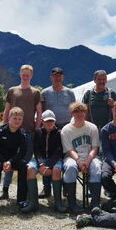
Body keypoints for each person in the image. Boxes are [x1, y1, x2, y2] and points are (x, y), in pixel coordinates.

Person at [0, 65, 41, 201]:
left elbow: (39, 112)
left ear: (31, 76)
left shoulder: (35, 92)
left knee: (24, 162)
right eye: (23, 74)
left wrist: (37, 129)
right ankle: (5, 190)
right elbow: (7, 109)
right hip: (12, 131)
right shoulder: (12, 90)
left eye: (27, 74)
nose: (25, 76)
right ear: (20, 74)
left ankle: (24, 192)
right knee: (10, 159)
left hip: (29, 131)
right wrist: (3, 126)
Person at [22, 110, 66, 213]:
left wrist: (49, 165)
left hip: (54, 159)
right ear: (42, 121)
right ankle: (33, 203)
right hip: (40, 159)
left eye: (51, 121)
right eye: (47, 121)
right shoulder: (37, 132)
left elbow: (59, 151)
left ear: (54, 121)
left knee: (56, 170)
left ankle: (58, 203)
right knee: (30, 169)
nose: (49, 123)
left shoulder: (59, 133)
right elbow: (36, 150)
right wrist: (41, 164)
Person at [0, 107, 28, 214]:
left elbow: (22, 153)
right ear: (9, 118)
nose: (17, 121)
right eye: (15, 118)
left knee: (23, 165)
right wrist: (4, 161)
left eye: (20, 119)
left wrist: (10, 162)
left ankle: (21, 200)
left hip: (9, 158)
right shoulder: (0, 130)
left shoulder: (22, 133)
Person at [40, 67, 76, 196]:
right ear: (51, 77)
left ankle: (66, 186)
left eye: (59, 75)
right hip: (50, 128)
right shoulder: (44, 92)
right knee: (48, 156)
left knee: (66, 156)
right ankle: (46, 187)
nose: (57, 77)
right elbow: (41, 111)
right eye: (54, 75)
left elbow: (74, 110)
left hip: (66, 127)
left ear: (63, 77)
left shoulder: (69, 92)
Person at [61, 102, 102, 213]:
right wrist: (79, 161)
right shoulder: (66, 130)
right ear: (72, 114)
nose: (79, 114)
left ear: (85, 113)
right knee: (70, 167)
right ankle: (72, 204)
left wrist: (87, 161)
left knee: (96, 167)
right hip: (72, 157)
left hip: (89, 156)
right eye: (76, 112)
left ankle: (95, 204)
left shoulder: (92, 127)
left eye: (82, 111)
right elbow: (69, 150)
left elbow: (95, 147)